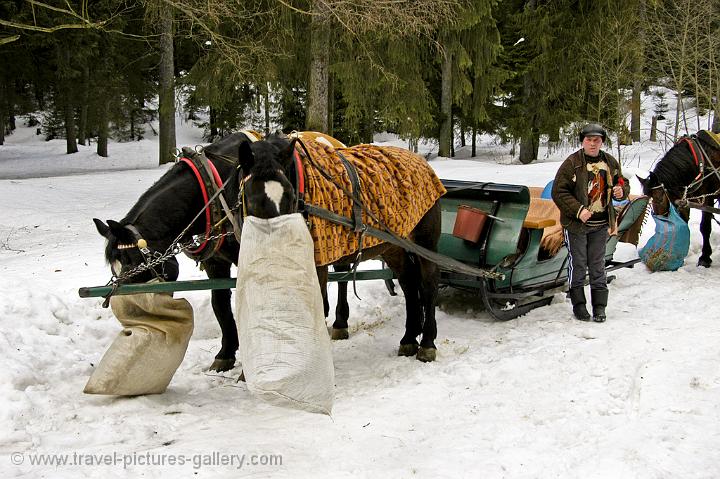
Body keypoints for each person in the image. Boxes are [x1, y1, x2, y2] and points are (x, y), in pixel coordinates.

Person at [551, 123, 630, 322]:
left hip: (601, 224)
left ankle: (600, 307)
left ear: (602, 142)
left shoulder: (610, 162)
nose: (593, 144)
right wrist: (578, 210)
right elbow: (558, 191)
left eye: (597, 140)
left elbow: (622, 182)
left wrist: (622, 191)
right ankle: (578, 306)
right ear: (582, 141)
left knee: (597, 265)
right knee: (578, 264)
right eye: (589, 140)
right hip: (577, 225)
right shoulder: (572, 163)